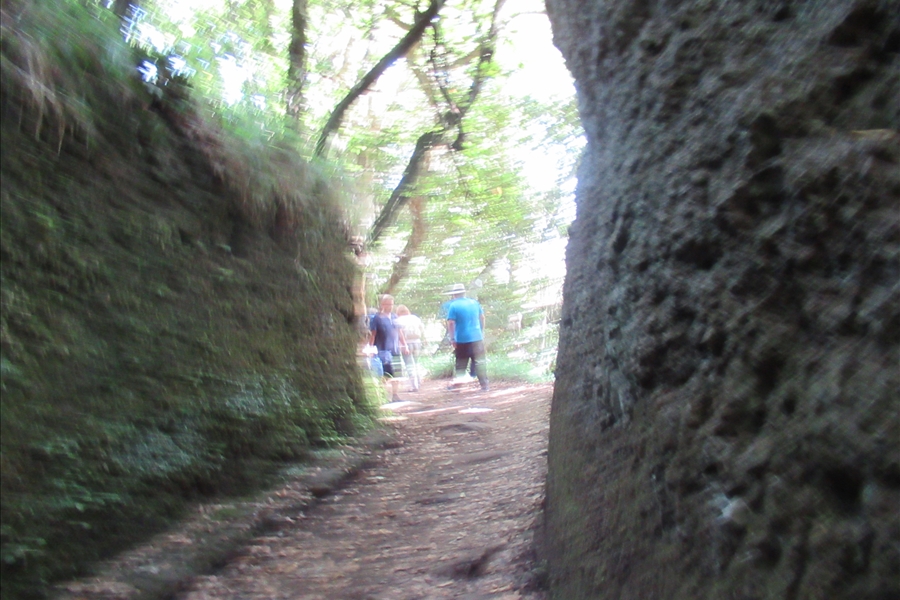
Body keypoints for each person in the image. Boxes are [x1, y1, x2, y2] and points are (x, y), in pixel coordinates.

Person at [444, 283, 489, 391]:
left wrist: (452, 338)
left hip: (462, 339)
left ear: (454, 294)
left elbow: (451, 323)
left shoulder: (454, 305)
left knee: (461, 364)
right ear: (464, 293)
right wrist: (480, 331)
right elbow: (482, 317)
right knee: (479, 362)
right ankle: (484, 385)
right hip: (477, 337)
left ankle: (458, 386)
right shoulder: (474, 303)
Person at [368, 294, 408, 402]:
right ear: (382, 305)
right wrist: (370, 349)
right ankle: (384, 396)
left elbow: (399, 332)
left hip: (395, 349)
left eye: (391, 304)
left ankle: (395, 395)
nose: (390, 306)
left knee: (397, 373)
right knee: (386, 374)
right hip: (383, 350)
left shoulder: (395, 317)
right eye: (387, 304)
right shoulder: (377, 318)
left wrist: (404, 345)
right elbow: (373, 334)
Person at [395, 305, 424, 391]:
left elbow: (399, 333)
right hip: (417, 342)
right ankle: (419, 381)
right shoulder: (415, 318)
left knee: (409, 364)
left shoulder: (398, 320)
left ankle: (414, 385)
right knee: (416, 363)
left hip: (406, 343)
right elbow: (421, 329)